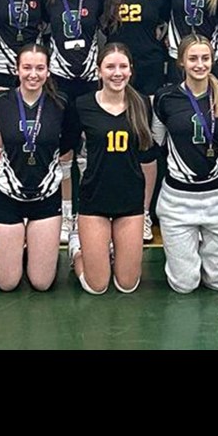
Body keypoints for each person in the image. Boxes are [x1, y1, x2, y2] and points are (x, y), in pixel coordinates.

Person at [0, 44, 79, 291]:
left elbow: (70, 140)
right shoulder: (1, 101)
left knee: (41, 283)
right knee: (7, 283)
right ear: (16, 70)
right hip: (7, 196)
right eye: (27, 67)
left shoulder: (60, 102)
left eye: (40, 68)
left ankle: (32, 253)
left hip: (46, 197)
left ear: (48, 71)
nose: (33, 74)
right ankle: (6, 259)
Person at [152, 35, 218, 293]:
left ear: (212, 60)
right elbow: (158, 140)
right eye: (193, 59)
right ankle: (187, 248)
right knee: (184, 285)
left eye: (205, 58)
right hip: (178, 200)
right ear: (181, 62)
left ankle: (205, 245)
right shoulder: (165, 97)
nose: (199, 64)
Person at [68, 43, 152, 295]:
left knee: (127, 285)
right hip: (95, 201)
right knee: (97, 286)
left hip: (130, 202)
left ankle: (114, 250)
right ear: (99, 71)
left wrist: (145, 208)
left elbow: (148, 161)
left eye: (123, 67)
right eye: (110, 67)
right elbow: (67, 152)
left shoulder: (141, 104)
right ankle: (78, 252)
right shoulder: (82, 105)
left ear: (131, 70)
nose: (117, 73)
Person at [102, 0, 166, 241]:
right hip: (115, 77)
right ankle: (115, 208)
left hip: (150, 75)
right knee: (115, 143)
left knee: (147, 144)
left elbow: (165, 28)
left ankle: (143, 212)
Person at [43, 0, 105, 244]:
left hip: (91, 82)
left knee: (89, 151)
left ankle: (88, 214)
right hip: (60, 83)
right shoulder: (48, 0)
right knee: (64, 150)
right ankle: (66, 213)